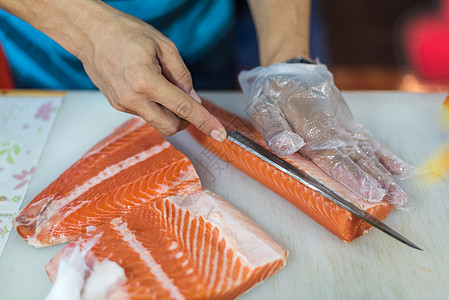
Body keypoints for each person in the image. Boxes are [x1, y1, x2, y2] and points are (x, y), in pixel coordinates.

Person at [0, 0, 414, 206]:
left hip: (202, 24)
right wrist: (85, 27)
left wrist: (289, 65)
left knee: (208, 120)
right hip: (53, 37)